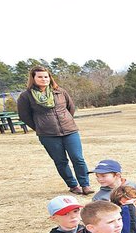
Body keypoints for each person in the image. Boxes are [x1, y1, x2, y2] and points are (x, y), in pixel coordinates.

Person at [17, 66, 93, 195]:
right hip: (48, 135)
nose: (44, 79)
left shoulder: (59, 91)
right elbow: (24, 116)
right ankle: (73, 185)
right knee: (60, 161)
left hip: (70, 130)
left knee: (78, 158)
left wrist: (67, 120)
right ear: (33, 78)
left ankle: (85, 184)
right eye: (40, 77)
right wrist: (40, 126)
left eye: (46, 76)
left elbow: (71, 108)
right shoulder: (26, 96)